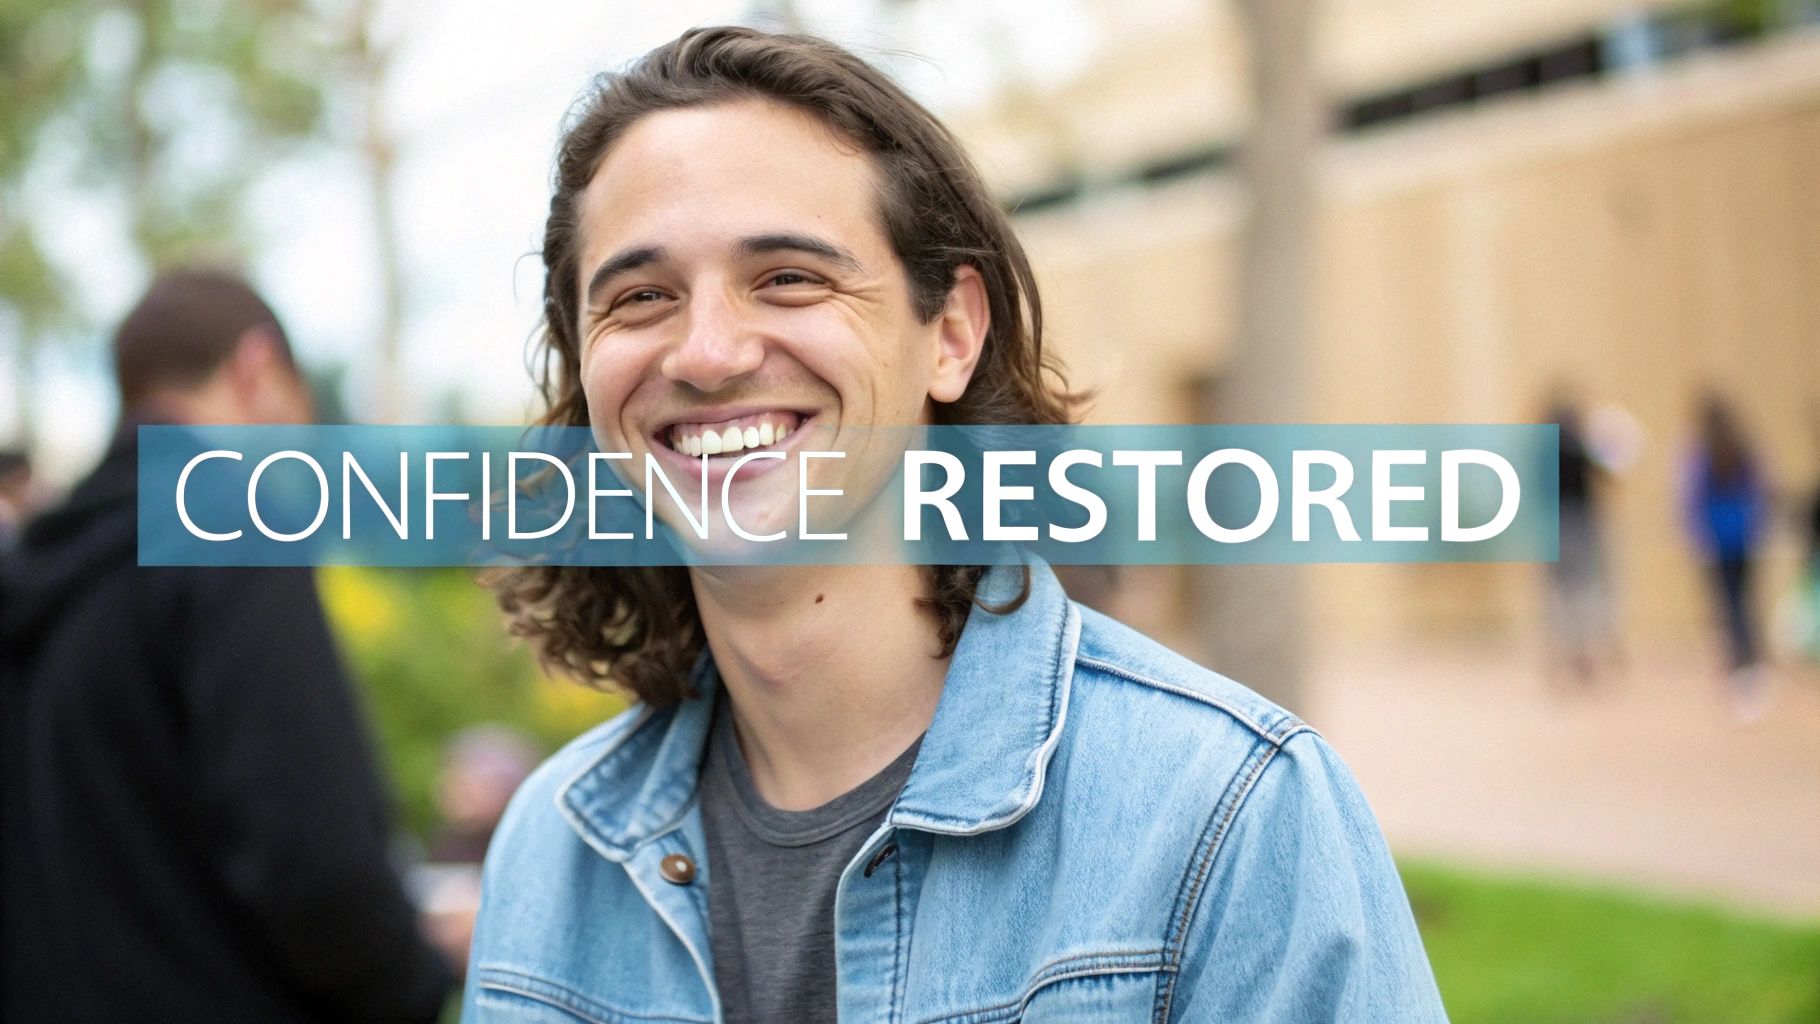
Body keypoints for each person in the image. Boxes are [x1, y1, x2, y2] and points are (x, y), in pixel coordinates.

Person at [468, 28, 1445, 1023]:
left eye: (788, 277)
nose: (708, 352)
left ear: (950, 333)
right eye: (640, 297)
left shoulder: (1226, 814)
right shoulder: (550, 855)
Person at [0, 270, 455, 1022]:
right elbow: (317, 866)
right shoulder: (229, 528)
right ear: (256, 368)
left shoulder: (38, 573)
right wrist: (414, 983)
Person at [1681, 392, 1771, 717]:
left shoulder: (1701, 453)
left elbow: (1690, 497)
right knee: (1744, 602)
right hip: (1743, 535)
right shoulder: (1742, 447)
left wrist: (1695, 535)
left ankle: (1739, 664)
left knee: (1728, 604)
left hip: (1718, 538)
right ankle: (1749, 665)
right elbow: (1761, 489)